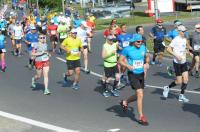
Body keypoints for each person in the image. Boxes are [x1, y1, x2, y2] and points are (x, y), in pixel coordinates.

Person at [119, 34, 150, 126]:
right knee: (140, 94)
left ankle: (125, 102)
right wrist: (128, 66)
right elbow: (120, 61)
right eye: (138, 41)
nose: (140, 43)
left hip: (141, 73)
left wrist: (147, 63)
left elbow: (147, 56)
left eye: (141, 41)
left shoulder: (143, 47)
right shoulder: (127, 49)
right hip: (132, 74)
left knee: (138, 95)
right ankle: (141, 117)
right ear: (133, 42)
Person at [163, 25, 191, 103]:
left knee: (186, 79)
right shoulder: (176, 39)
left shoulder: (185, 39)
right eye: (183, 31)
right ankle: (167, 87)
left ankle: (181, 96)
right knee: (179, 82)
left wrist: (188, 52)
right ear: (179, 31)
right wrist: (176, 55)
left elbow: (183, 49)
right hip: (177, 63)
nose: (184, 32)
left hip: (184, 62)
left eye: (185, 31)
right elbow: (168, 49)